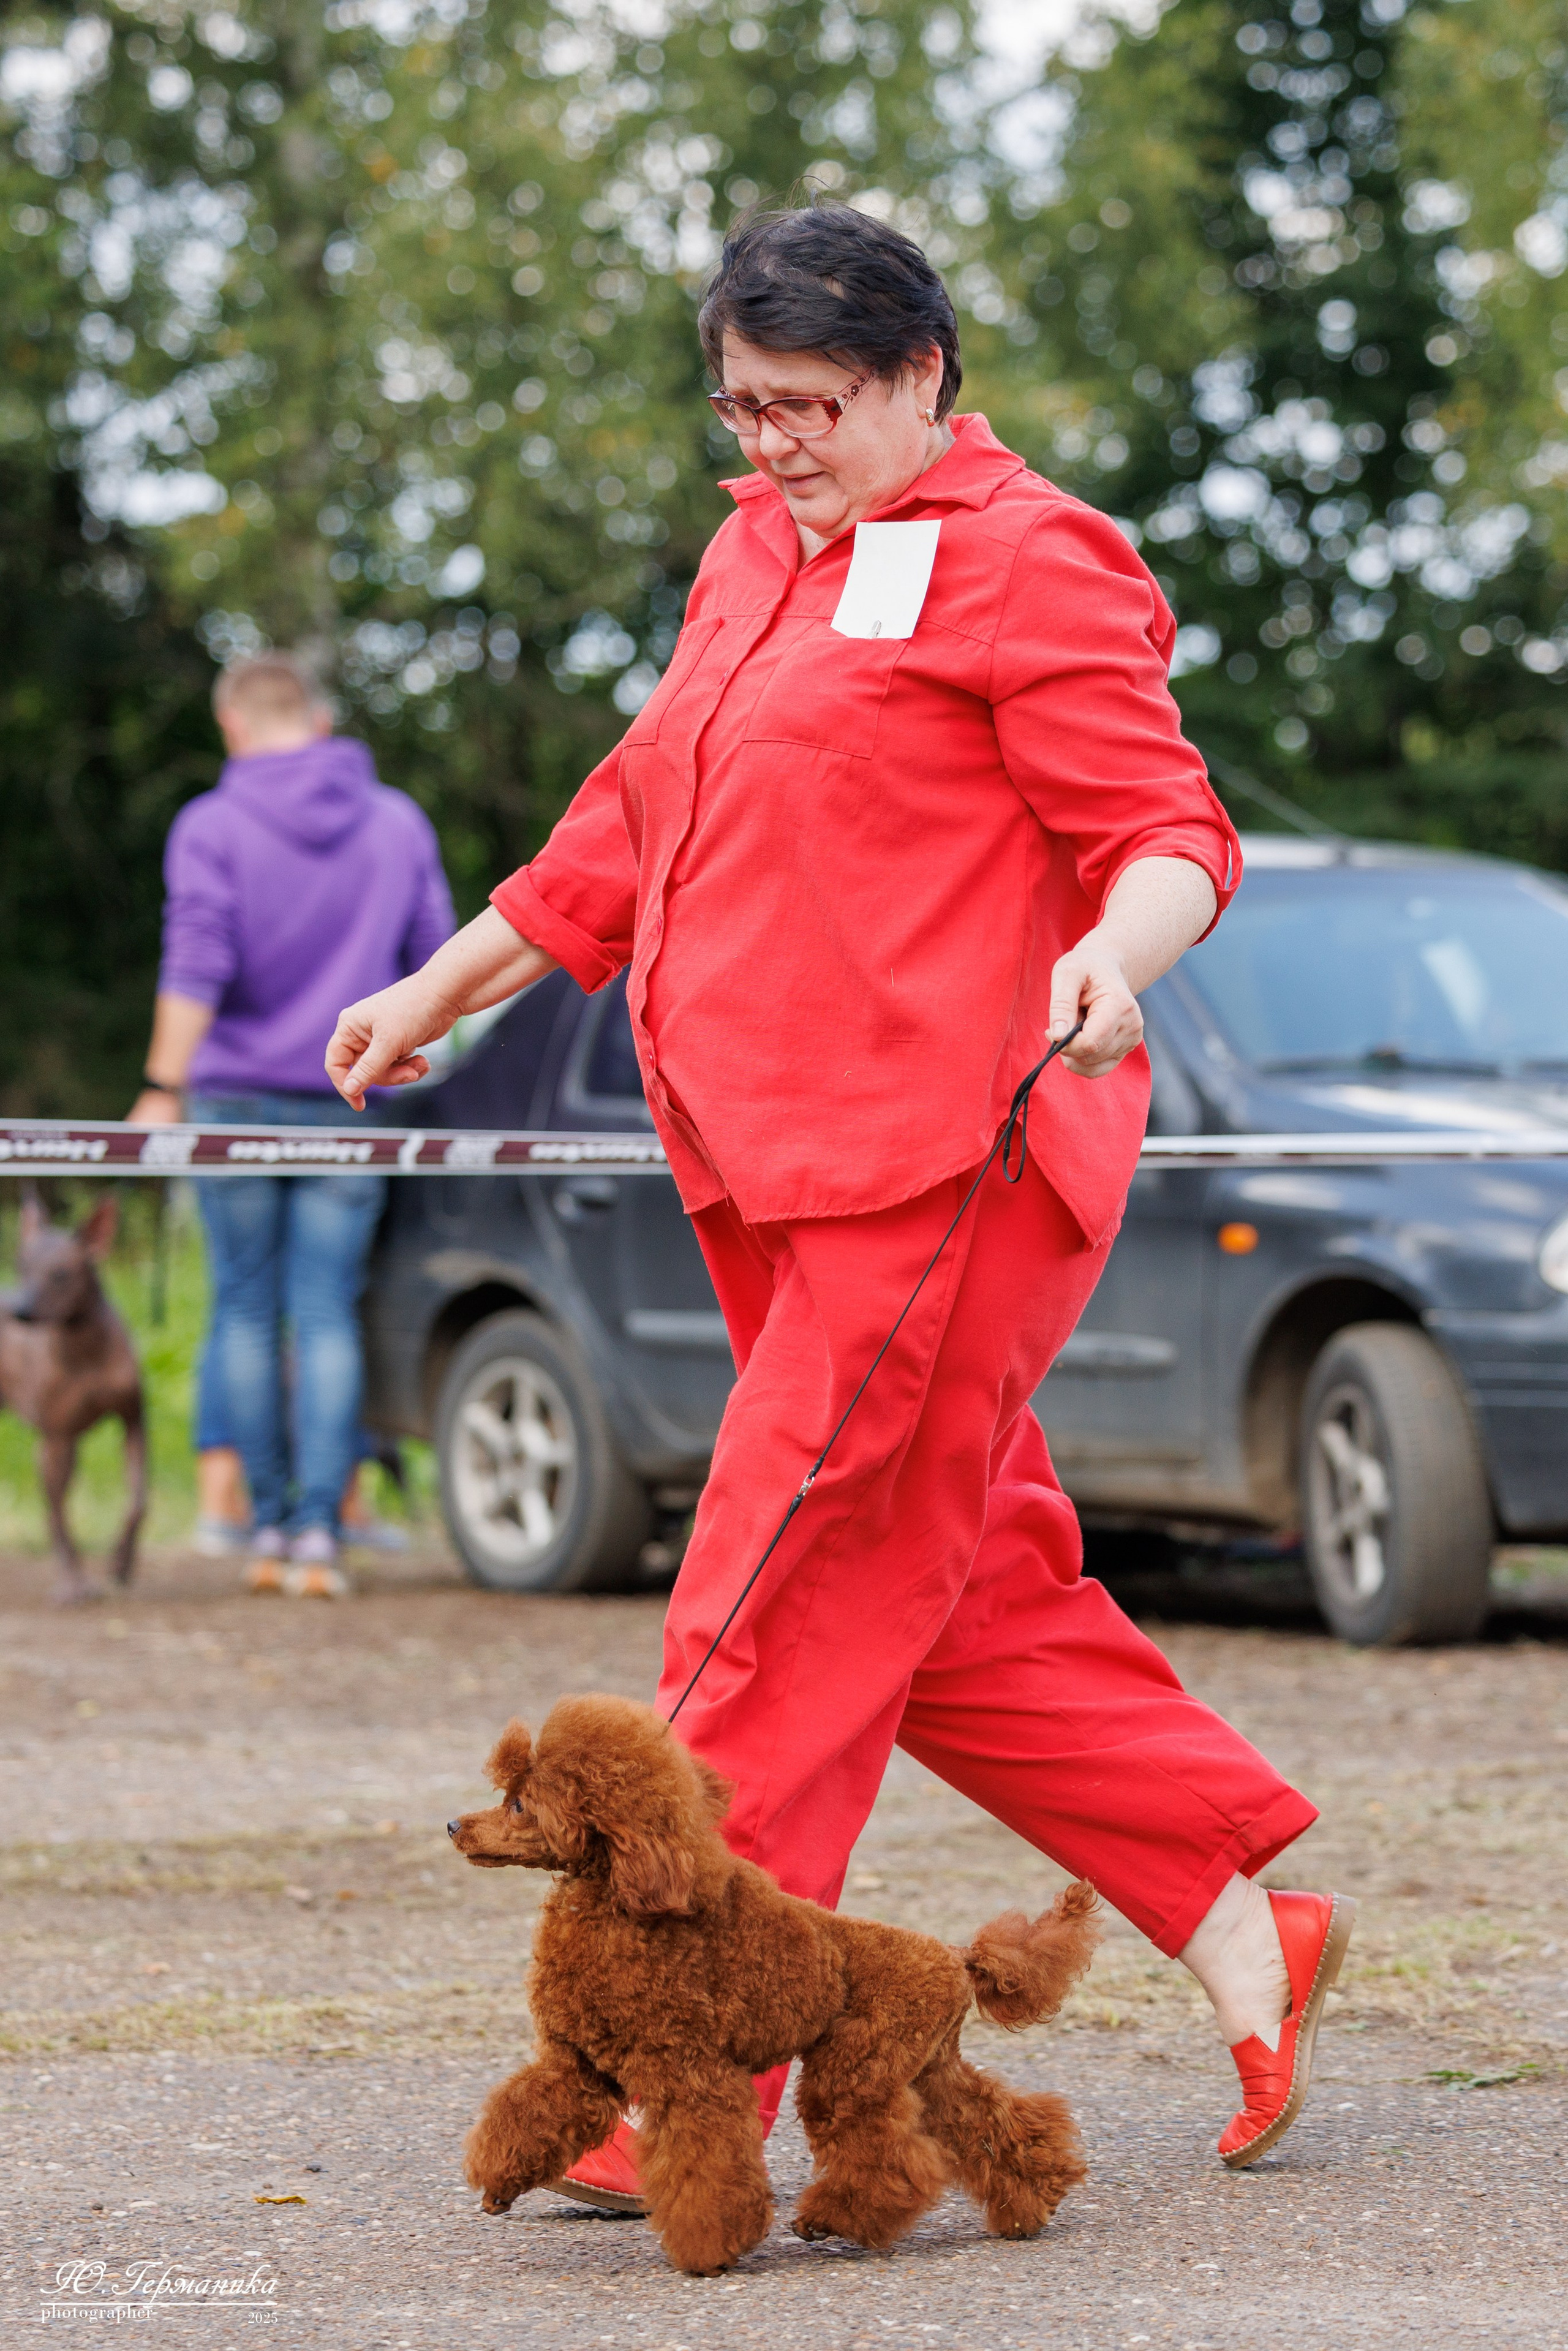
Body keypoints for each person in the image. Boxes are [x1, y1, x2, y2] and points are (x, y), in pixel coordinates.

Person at [326, 204, 1352, 2186]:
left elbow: (1170, 827)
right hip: (768, 1167)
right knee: (946, 1595)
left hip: (946, 1165)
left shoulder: (1034, 555)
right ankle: (1245, 1920)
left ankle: (691, 2059)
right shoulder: (754, 555)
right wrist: (442, 985)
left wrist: (1116, 954)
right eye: (744, 404)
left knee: (772, 1578)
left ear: (922, 375)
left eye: (811, 404)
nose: (775, 439)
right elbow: (634, 815)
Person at [130, 652, 454, 1596]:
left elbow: (198, 960)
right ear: (320, 722)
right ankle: (321, 1533)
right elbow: (436, 961)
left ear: (231, 724)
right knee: (325, 1311)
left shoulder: (211, 824)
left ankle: (265, 1528)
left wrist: (160, 1083)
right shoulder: (397, 823)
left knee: (243, 1307)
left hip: (232, 1099)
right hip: (352, 1096)